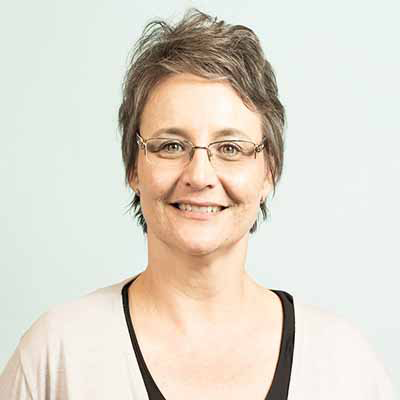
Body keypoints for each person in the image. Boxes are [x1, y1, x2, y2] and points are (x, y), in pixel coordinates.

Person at [0, 8, 396, 400]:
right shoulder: (57, 356)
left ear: (269, 172)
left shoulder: (345, 365)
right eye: (171, 146)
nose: (200, 175)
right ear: (133, 167)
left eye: (230, 148)